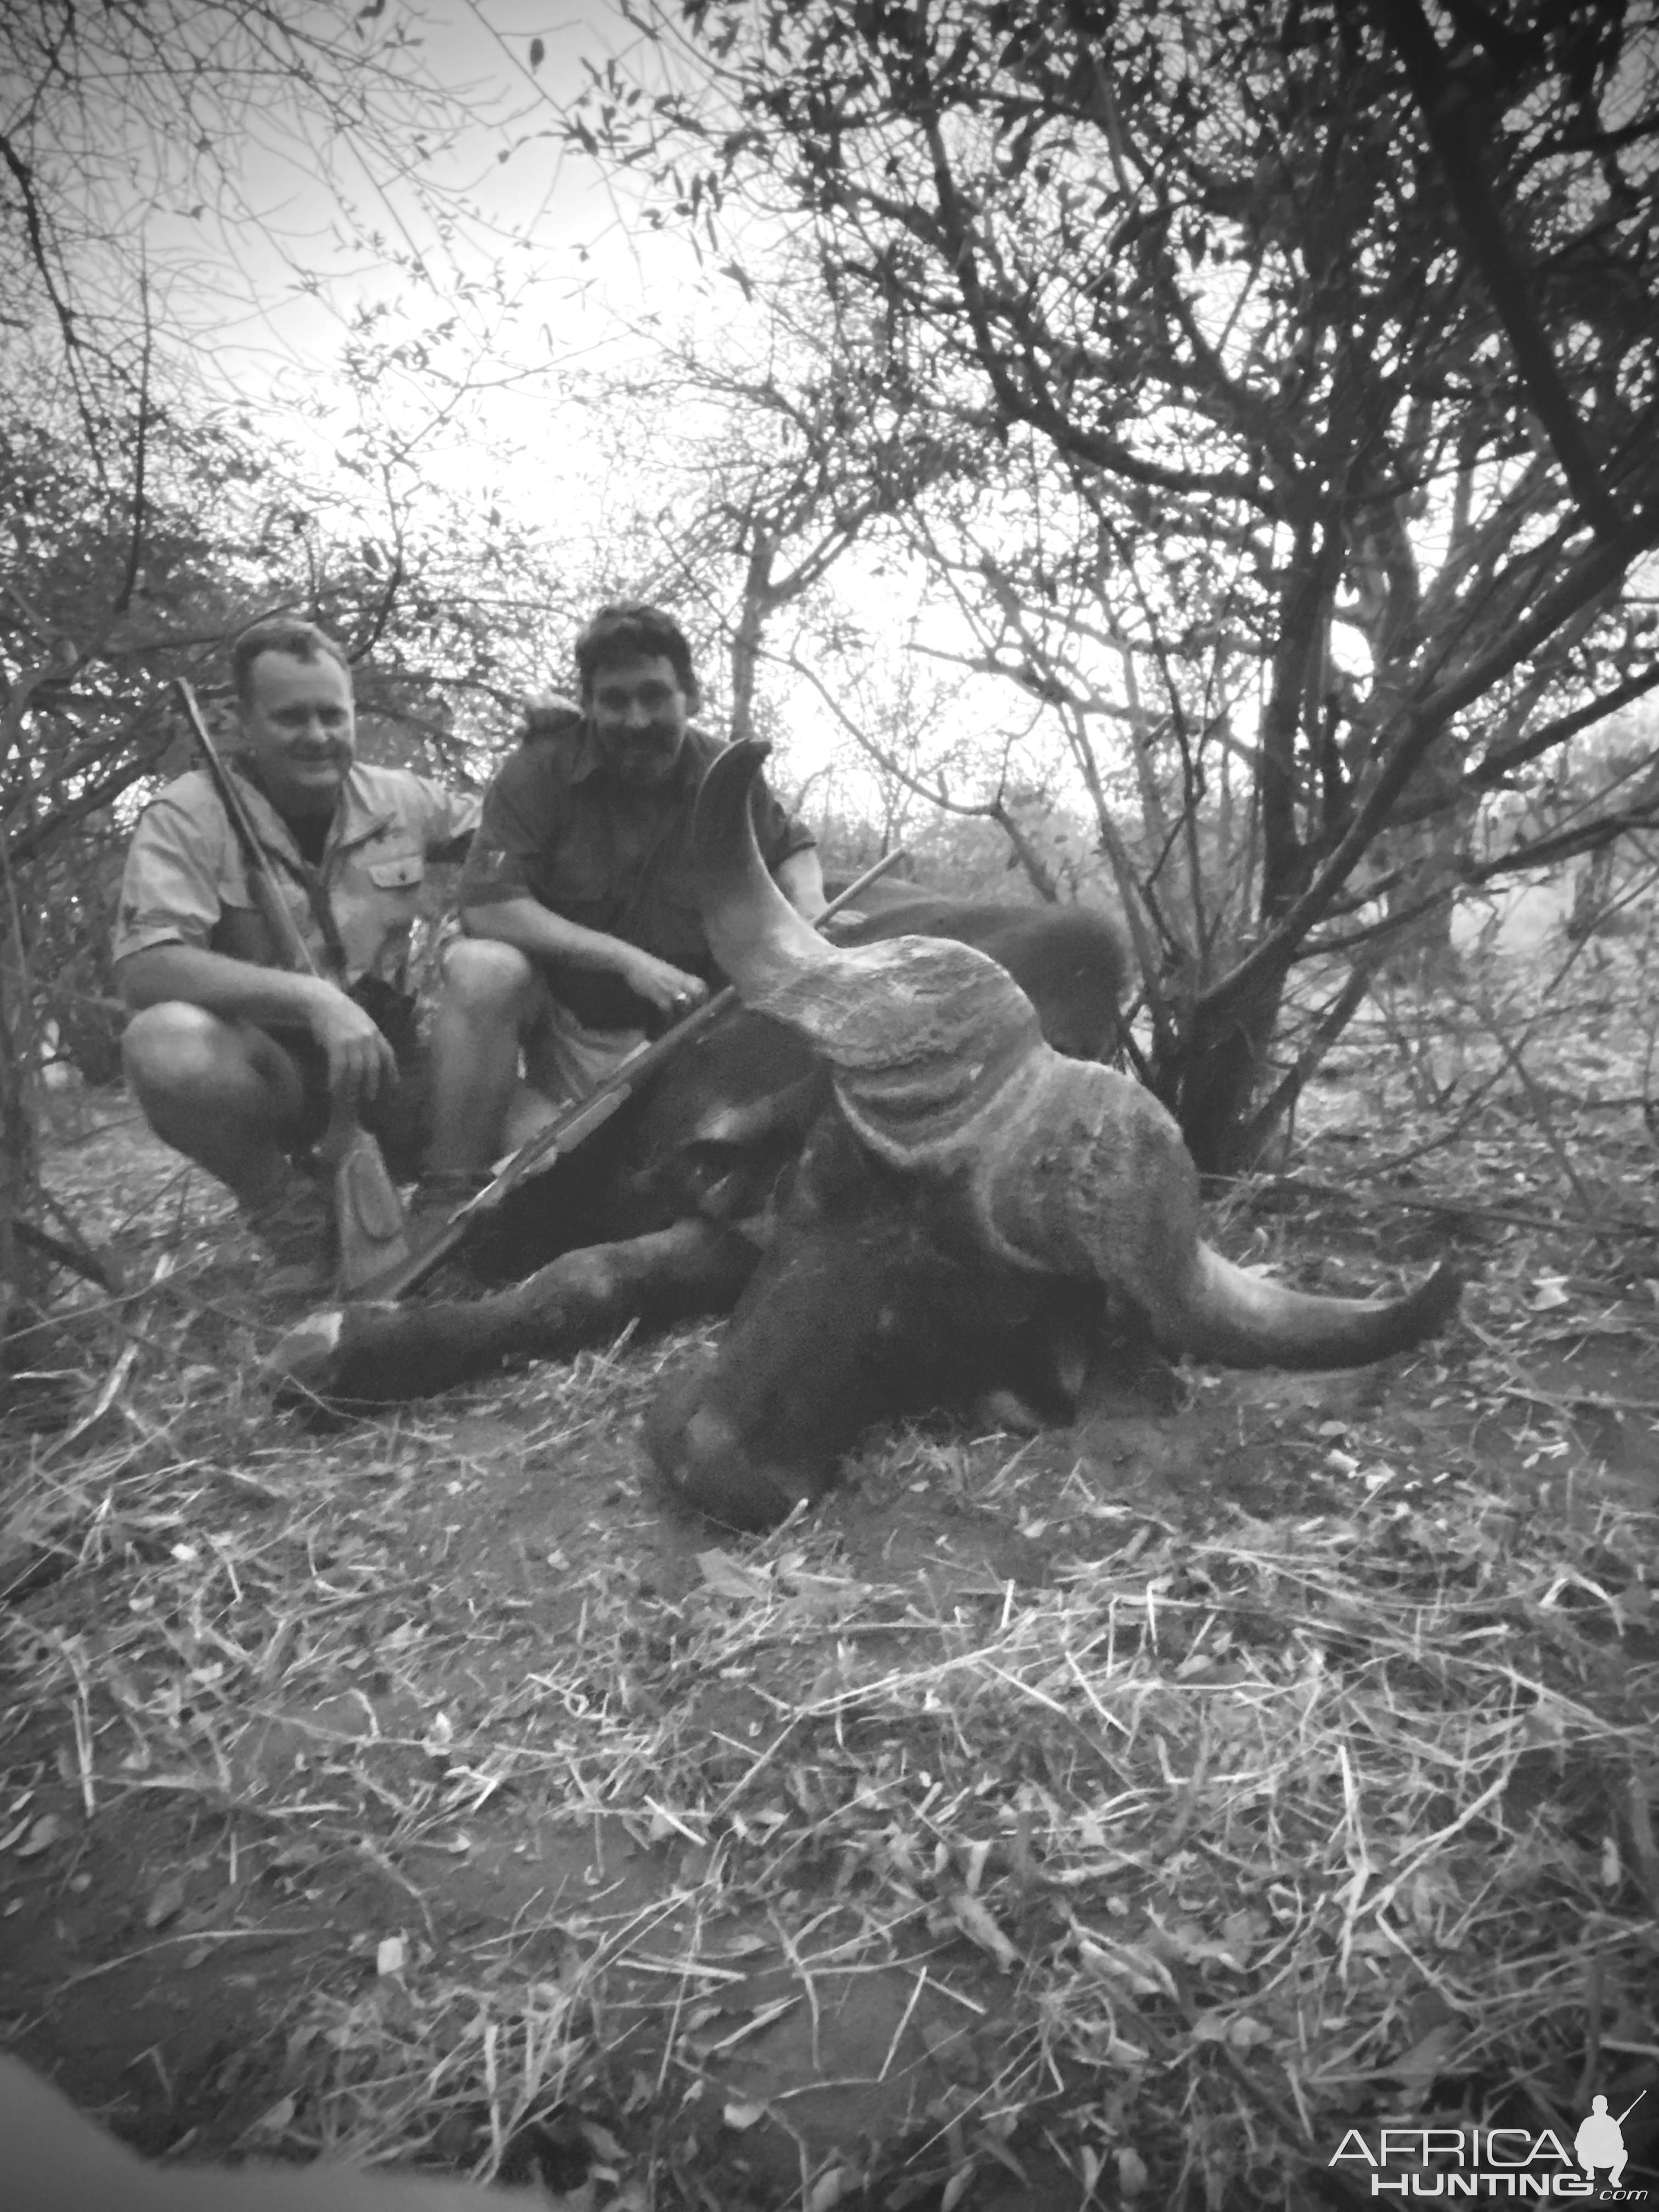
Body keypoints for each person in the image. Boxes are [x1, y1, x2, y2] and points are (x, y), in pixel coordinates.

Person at [115, 618, 479, 1286]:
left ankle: (445, 1201)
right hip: (278, 1069)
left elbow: (513, 835)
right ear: (240, 721)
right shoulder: (186, 814)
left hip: (393, 1062)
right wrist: (312, 998)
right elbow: (145, 968)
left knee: (537, 1151)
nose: (317, 736)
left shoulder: (402, 797)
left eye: (331, 715)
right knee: (161, 1042)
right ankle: (290, 1218)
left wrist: (557, 750)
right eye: (290, 718)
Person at [424, 600, 826, 1184]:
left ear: (691, 695)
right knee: (485, 969)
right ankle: (446, 1189)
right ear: (586, 704)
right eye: (614, 700)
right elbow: (488, 904)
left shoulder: (726, 773)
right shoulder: (539, 770)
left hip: (690, 1044)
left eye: (654, 696)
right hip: (567, 1040)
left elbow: (792, 847)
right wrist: (626, 961)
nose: (637, 721)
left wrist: (811, 907)